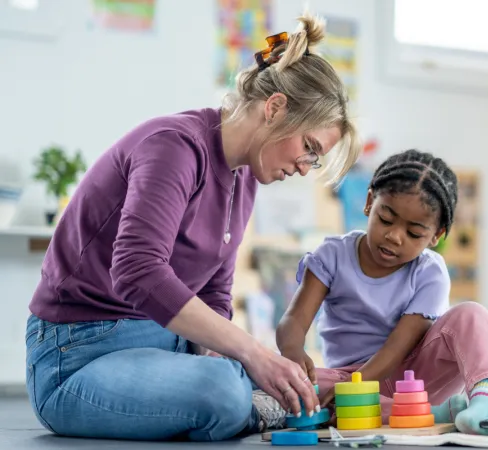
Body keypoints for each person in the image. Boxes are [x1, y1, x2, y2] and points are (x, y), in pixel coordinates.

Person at [25, 13, 361, 441]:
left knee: (306, 380)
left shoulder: (244, 178)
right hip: (78, 356)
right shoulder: (174, 146)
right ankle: (253, 407)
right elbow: (136, 271)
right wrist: (249, 357)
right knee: (223, 391)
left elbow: (214, 294)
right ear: (275, 109)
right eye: (309, 149)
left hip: (163, 345)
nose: (304, 167)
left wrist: (249, 362)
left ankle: (261, 399)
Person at [275, 149, 488, 435]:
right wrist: (292, 351)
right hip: (347, 378)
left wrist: (355, 387)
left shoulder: (429, 271)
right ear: (370, 202)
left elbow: (398, 347)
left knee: (472, 314)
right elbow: (294, 321)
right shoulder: (331, 255)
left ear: (437, 236)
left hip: (416, 377)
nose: (394, 236)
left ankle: (484, 404)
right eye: (386, 219)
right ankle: (436, 414)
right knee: (284, 383)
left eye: (414, 233)